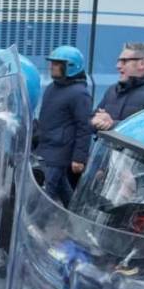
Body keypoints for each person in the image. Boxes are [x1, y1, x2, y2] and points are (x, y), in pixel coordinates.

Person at [36, 45, 92, 205]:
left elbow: (84, 127)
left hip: (58, 153)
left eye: (57, 64)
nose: (51, 67)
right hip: (45, 149)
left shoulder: (79, 93)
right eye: (52, 63)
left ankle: (37, 220)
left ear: (71, 67)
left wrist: (79, 158)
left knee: (42, 196)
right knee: (64, 192)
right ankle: (76, 214)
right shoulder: (52, 88)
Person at [91, 42, 144, 131]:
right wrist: (95, 122)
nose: (118, 66)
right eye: (118, 61)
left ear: (142, 63)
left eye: (124, 61)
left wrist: (112, 125)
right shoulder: (113, 90)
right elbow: (93, 118)